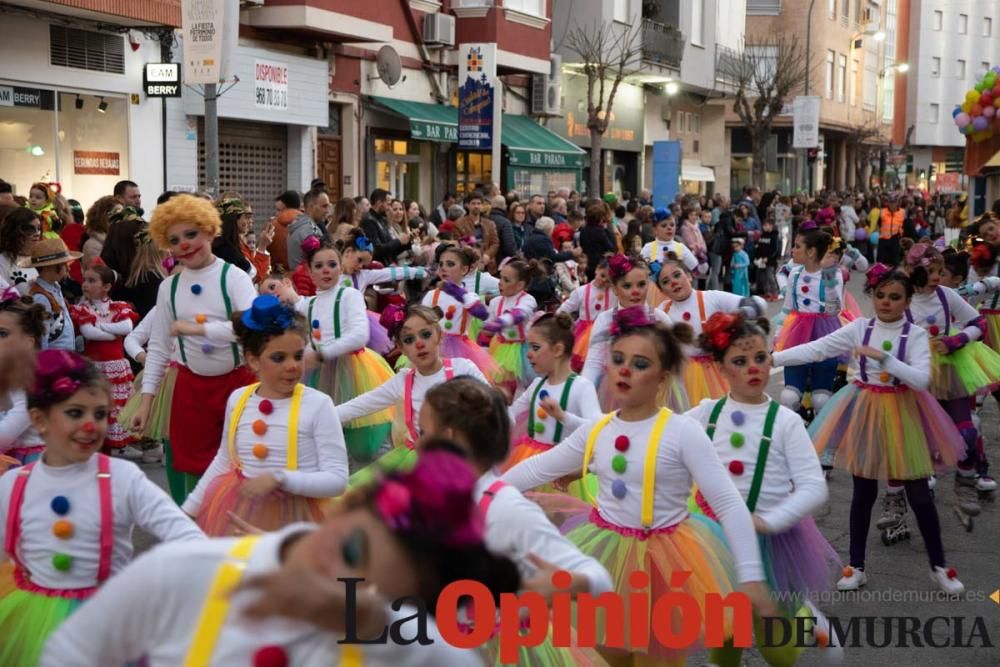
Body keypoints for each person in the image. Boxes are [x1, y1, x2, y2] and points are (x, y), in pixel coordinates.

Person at [41, 450, 515, 667]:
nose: (339, 581)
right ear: (345, 509)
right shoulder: (184, 572)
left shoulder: (409, 648)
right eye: (351, 550)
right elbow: (69, 654)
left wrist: (372, 625)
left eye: (369, 591)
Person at [503, 309, 774, 665]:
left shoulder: (683, 432)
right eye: (618, 359)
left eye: (641, 363)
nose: (625, 370)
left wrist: (751, 575)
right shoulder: (596, 431)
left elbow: (727, 503)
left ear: (662, 376)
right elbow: (534, 469)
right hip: (607, 555)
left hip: (665, 568)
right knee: (603, 656)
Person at [0, 350, 203, 666]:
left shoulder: (123, 478)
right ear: (39, 419)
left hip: (109, 622)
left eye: (99, 414)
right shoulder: (13, 485)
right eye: (75, 412)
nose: (91, 426)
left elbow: (182, 531)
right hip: (34, 621)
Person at [772, 267, 966, 594]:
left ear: (907, 301)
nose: (886, 302)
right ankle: (856, 566)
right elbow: (818, 348)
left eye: (894, 297)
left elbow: (920, 379)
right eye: (880, 295)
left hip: (903, 414)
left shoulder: (916, 335)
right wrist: (773, 357)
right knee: (863, 493)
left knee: (919, 495)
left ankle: (939, 567)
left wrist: (884, 359)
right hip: (864, 410)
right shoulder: (860, 328)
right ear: (872, 295)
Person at [418, 378, 612, 666]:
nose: (418, 443)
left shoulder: (505, 509)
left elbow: (599, 578)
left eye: (424, 432)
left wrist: (568, 583)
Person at [687, 312, 842, 664]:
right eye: (740, 361)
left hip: (773, 540)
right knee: (725, 633)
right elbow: (656, 435)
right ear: (721, 368)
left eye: (760, 358)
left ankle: (805, 619)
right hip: (715, 541)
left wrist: (768, 521)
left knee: (779, 647)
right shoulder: (705, 414)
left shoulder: (786, 421)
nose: (753, 367)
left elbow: (813, 486)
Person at [182, 295, 348, 536]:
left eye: (298, 356)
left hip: (300, 520)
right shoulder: (238, 399)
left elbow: (337, 480)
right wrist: (190, 510)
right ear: (253, 360)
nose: (292, 366)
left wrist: (281, 478)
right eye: (279, 358)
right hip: (241, 510)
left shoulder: (319, 405)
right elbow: (224, 460)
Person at [131, 194, 258, 504]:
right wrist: (146, 402)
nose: (185, 244)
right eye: (175, 240)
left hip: (238, 387)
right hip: (190, 391)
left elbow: (252, 329)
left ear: (210, 230)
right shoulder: (168, 288)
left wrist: (197, 328)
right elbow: (159, 348)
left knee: (242, 467)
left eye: (191, 234)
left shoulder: (235, 277)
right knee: (195, 470)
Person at [338, 305, 488, 487]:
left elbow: (494, 409)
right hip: (421, 464)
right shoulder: (403, 381)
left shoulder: (463, 369)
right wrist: (315, 414)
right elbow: (359, 406)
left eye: (425, 335)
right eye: (409, 339)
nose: (419, 344)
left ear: (439, 335)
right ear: (401, 348)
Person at [901, 244, 1000, 516]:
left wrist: (957, 339)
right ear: (913, 270)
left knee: (968, 429)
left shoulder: (945, 296)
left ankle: (966, 480)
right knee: (919, 433)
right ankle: (908, 487)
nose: (936, 277)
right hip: (916, 373)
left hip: (949, 369)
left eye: (939, 271)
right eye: (931, 271)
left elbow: (978, 323)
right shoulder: (904, 298)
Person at [281, 238, 394, 466]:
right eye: (319, 266)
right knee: (322, 438)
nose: (326, 270)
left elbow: (359, 335)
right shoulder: (307, 304)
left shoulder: (349, 295)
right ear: (310, 272)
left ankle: (361, 485)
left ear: (340, 267)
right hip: (317, 376)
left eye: (332, 264)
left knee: (360, 441)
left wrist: (321, 353)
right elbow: (307, 338)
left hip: (353, 372)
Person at [502, 313, 600, 500]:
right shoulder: (536, 385)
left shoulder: (581, 387)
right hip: (528, 460)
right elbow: (511, 415)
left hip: (562, 468)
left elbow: (596, 431)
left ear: (557, 349)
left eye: (535, 347)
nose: (528, 353)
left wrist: (563, 416)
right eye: (528, 347)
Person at [655, 254, 765, 405]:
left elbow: (759, 304)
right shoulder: (661, 311)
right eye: (666, 282)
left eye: (677, 275)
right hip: (678, 380)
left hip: (714, 375)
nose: (673, 282)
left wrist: (734, 317)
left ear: (689, 276)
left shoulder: (712, 297)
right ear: (662, 291)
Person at [773, 226, 844, 420]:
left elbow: (834, 310)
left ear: (811, 251)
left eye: (797, 246)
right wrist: (778, 336)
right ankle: (792, 435)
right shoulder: (794, 274)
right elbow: (787, 308)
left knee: (821, 399)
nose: (792, 250)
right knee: (789, 396)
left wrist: (829, 279)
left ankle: (821, 440)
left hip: (825, 334)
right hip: (796, 335)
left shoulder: (833, 274)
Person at [69, 263, 139, 456]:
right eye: (85, 280)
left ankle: (108, 451)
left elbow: (126, 328)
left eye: (92, 281)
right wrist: (111, 331)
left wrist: (101, 326)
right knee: (97, 408)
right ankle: (97, 450)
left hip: (116, 366)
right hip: (96, 367)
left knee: (115, 408)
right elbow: (88, 332)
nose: (85, 284)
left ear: (106, 287)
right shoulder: (82, 309)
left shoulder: (119, 307)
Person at [420, 245, 498, 378]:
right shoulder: (431, 295)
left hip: (458, 350)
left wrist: (459, 293)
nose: (444, 268)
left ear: (464, 269)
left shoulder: (469, 297)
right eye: (441, 264)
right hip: (432, 345)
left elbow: (482, 314)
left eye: (450, 264)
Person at [480, 259, 541, 396]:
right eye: (500, 278)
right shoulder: (496, 302)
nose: (500, 283)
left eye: (506, 280)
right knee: (499, 385)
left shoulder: (527, 300)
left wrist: (502, 321)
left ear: (520, 285)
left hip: (522, 350)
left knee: (522, 387)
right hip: (500, 348)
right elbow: (487, 328)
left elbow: (520, 312)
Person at [0, 295, 46, 466]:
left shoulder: (31, 383)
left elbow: (4, 435)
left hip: (28, 463)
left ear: (28, 343)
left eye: (2, 334)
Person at [558, 257, 617, 372]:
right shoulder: (581, 291)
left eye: (609, 280)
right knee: (582, 363)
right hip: (584, 334)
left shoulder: (614, 293)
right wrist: (558, 318)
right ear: (596, 270)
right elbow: (567, 307)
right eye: (602, 275)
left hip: (606, 332)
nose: (604, 281)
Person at [23, 237, 79, 351]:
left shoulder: (55, 287)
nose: (68, 268)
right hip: (54, 359)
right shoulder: (41, 297)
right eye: (64, 264)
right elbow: (42, 336)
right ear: (49, 267)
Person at [639, 208, 701, 275]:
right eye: (664, 225)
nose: (669, 228)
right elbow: (639, 272)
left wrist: (702, 262)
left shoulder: (681, 247)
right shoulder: (648, 248)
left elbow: (697, 271)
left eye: (672, 225)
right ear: (655, 230)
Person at [361, 189, 411, 265]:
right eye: (388, 204)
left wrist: (407, 242)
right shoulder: (369, 221)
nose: (389, 208)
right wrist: (398, 241)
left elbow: (391, 248)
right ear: (379, 203)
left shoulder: (382, 220)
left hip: (388, 265)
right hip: (378, 267)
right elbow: (376, 249)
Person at [454, 192, 500, 272]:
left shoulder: (490, 224)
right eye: (473, 203)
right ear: (467, 205)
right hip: (468, 264)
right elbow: (458, 243)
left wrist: (487, 255)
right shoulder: (459, 223)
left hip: (487, 265)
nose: (476, 206)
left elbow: (495, 243)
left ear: (482, 206)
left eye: (479, 203)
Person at [286, 189, 331, 270]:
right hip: (307, 279)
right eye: (324, 206)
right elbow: (319, 264)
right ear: (311, 206)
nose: (327, 211)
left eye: (328, 206)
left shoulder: (298, 224)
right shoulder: (310, 231)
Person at [0, 208, 40, 295]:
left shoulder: (40, 258)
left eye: (39, 228)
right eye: (30, 229)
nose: (37, 233)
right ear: (14, 232)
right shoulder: (2, 262)